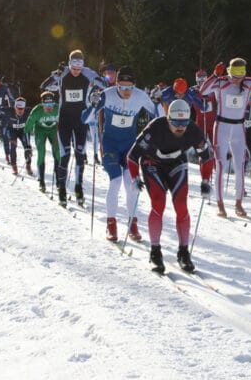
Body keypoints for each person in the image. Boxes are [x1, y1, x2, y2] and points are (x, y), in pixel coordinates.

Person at [126, 99, 214, 274]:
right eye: (175, 122)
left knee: (181, 205)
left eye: (184, 122)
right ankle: (155, 252)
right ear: (168, 119)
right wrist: (135, 178)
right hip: (153, 163)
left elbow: (207, 156)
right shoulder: (155, 128)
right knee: (158, 202)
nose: (180, 127)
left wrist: (205, 180)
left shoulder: (193, 130)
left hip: (177, 163)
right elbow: (132, 156)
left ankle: (183, 252)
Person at [82, 66, 157, 242]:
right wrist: (93, 104)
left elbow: (158, 115)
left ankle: (132, 224)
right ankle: (111, 224)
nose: (126, 92)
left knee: (131, 183)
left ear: (134, 86)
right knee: (115, 182)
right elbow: (85, 119)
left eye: (129, 87)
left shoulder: (140, 96)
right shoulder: (107, 94)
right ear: (116, 85)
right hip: (110, 145)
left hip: (130, 146)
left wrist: (158, 101)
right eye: (122, 87)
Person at [199, 58, 251, 218]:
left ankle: (238, 203)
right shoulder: (221, 82)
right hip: (222, 126)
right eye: (234, 75)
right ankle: (220, 204)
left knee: (240, 166)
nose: (237, 79)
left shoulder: (249, 83)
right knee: (221, 166)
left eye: (241, 75)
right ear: (229, 72)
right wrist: (214, 74)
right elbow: (203, 91)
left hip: (239, 127)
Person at [39, 50, 106, 207]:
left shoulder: (87, 73)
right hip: (64, 120)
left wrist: (97, 81)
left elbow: (104, 85)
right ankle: (62, 189)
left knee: (80, 154)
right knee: (65, 154)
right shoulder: (63, 73)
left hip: (81, 120)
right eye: (74, 68)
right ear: (69, 65)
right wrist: (56, 75)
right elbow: (43, 86)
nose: (76, 72)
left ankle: (78, 188)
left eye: (79, 69)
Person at [25, 91, 60, 192]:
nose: (49, 107)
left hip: (53, 129)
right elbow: (27, 128)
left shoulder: (58, 109)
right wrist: (27, 145)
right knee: (41, 152)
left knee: (58, 153)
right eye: (46, 105)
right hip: (40, 130)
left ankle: (58, 181)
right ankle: (42, 181)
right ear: (42, 104)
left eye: (51, 104)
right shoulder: (37, 111)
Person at [4, 97, 33, 175]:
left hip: (23, 131)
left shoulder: (29, 111)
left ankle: (28, 165)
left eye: (22, 109)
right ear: (14, 107)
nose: (20, 111)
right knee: (13, 145)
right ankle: (14, 166)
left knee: (27, 147)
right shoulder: (8, 111)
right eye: (18, 108)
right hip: (11, 130)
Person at [190, 69, 216, 142]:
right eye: (199, 81)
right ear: (196, 80)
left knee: (215, 143)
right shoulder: (193, 91)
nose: (201, 83)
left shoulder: (212, 88)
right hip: (200, 122)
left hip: (212, 122)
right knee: (200, 143)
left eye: (203, 81)